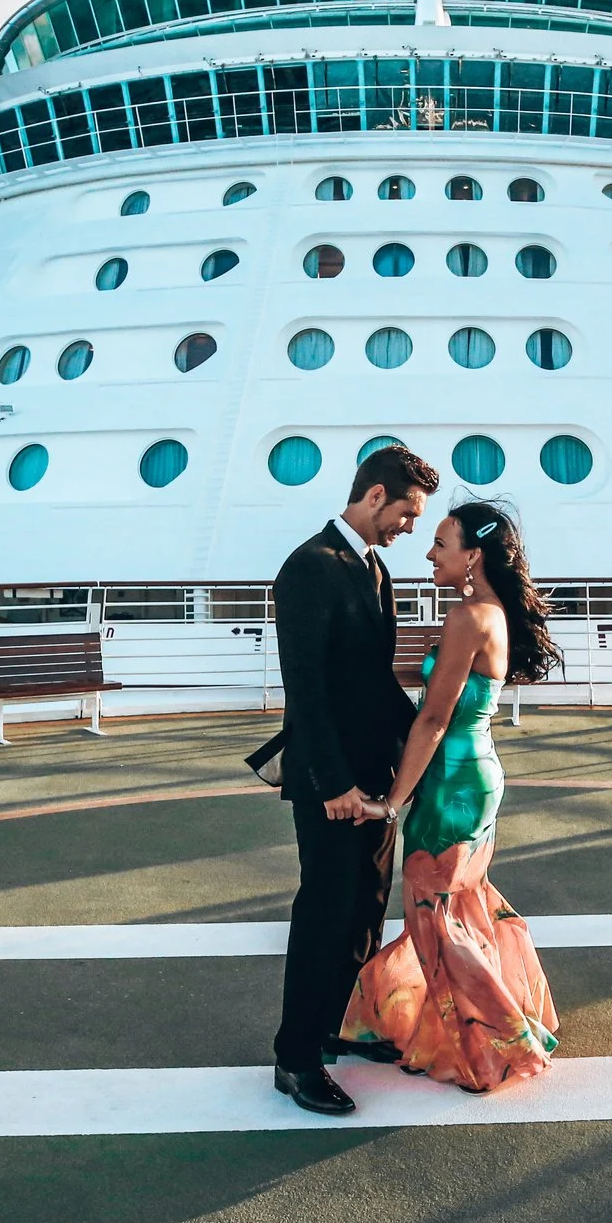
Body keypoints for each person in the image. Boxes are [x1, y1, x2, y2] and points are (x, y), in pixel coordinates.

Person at [341, 500, 564, 1093]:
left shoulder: (469, 616)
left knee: (433, 917)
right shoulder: (492, 613)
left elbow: (434, 719)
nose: (429, 552)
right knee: (461, 907)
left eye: (441, 542)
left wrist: (391, 802)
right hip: (476, 776)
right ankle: (486, 1028)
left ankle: (494, 1043)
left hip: (452, 784)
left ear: (474, 555)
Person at [267, 442, 441, 1116]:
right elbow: (304, 689)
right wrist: (334, 782)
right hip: (332, 787)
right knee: (325, 914)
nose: (410, 528)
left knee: (366, 910)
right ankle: (295, 1058)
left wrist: (426, 745)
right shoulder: (309, 567)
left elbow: (369, 684)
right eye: (406, 513)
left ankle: (335, 1025)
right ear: (375, 497)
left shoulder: (373, 568)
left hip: (376, 783)